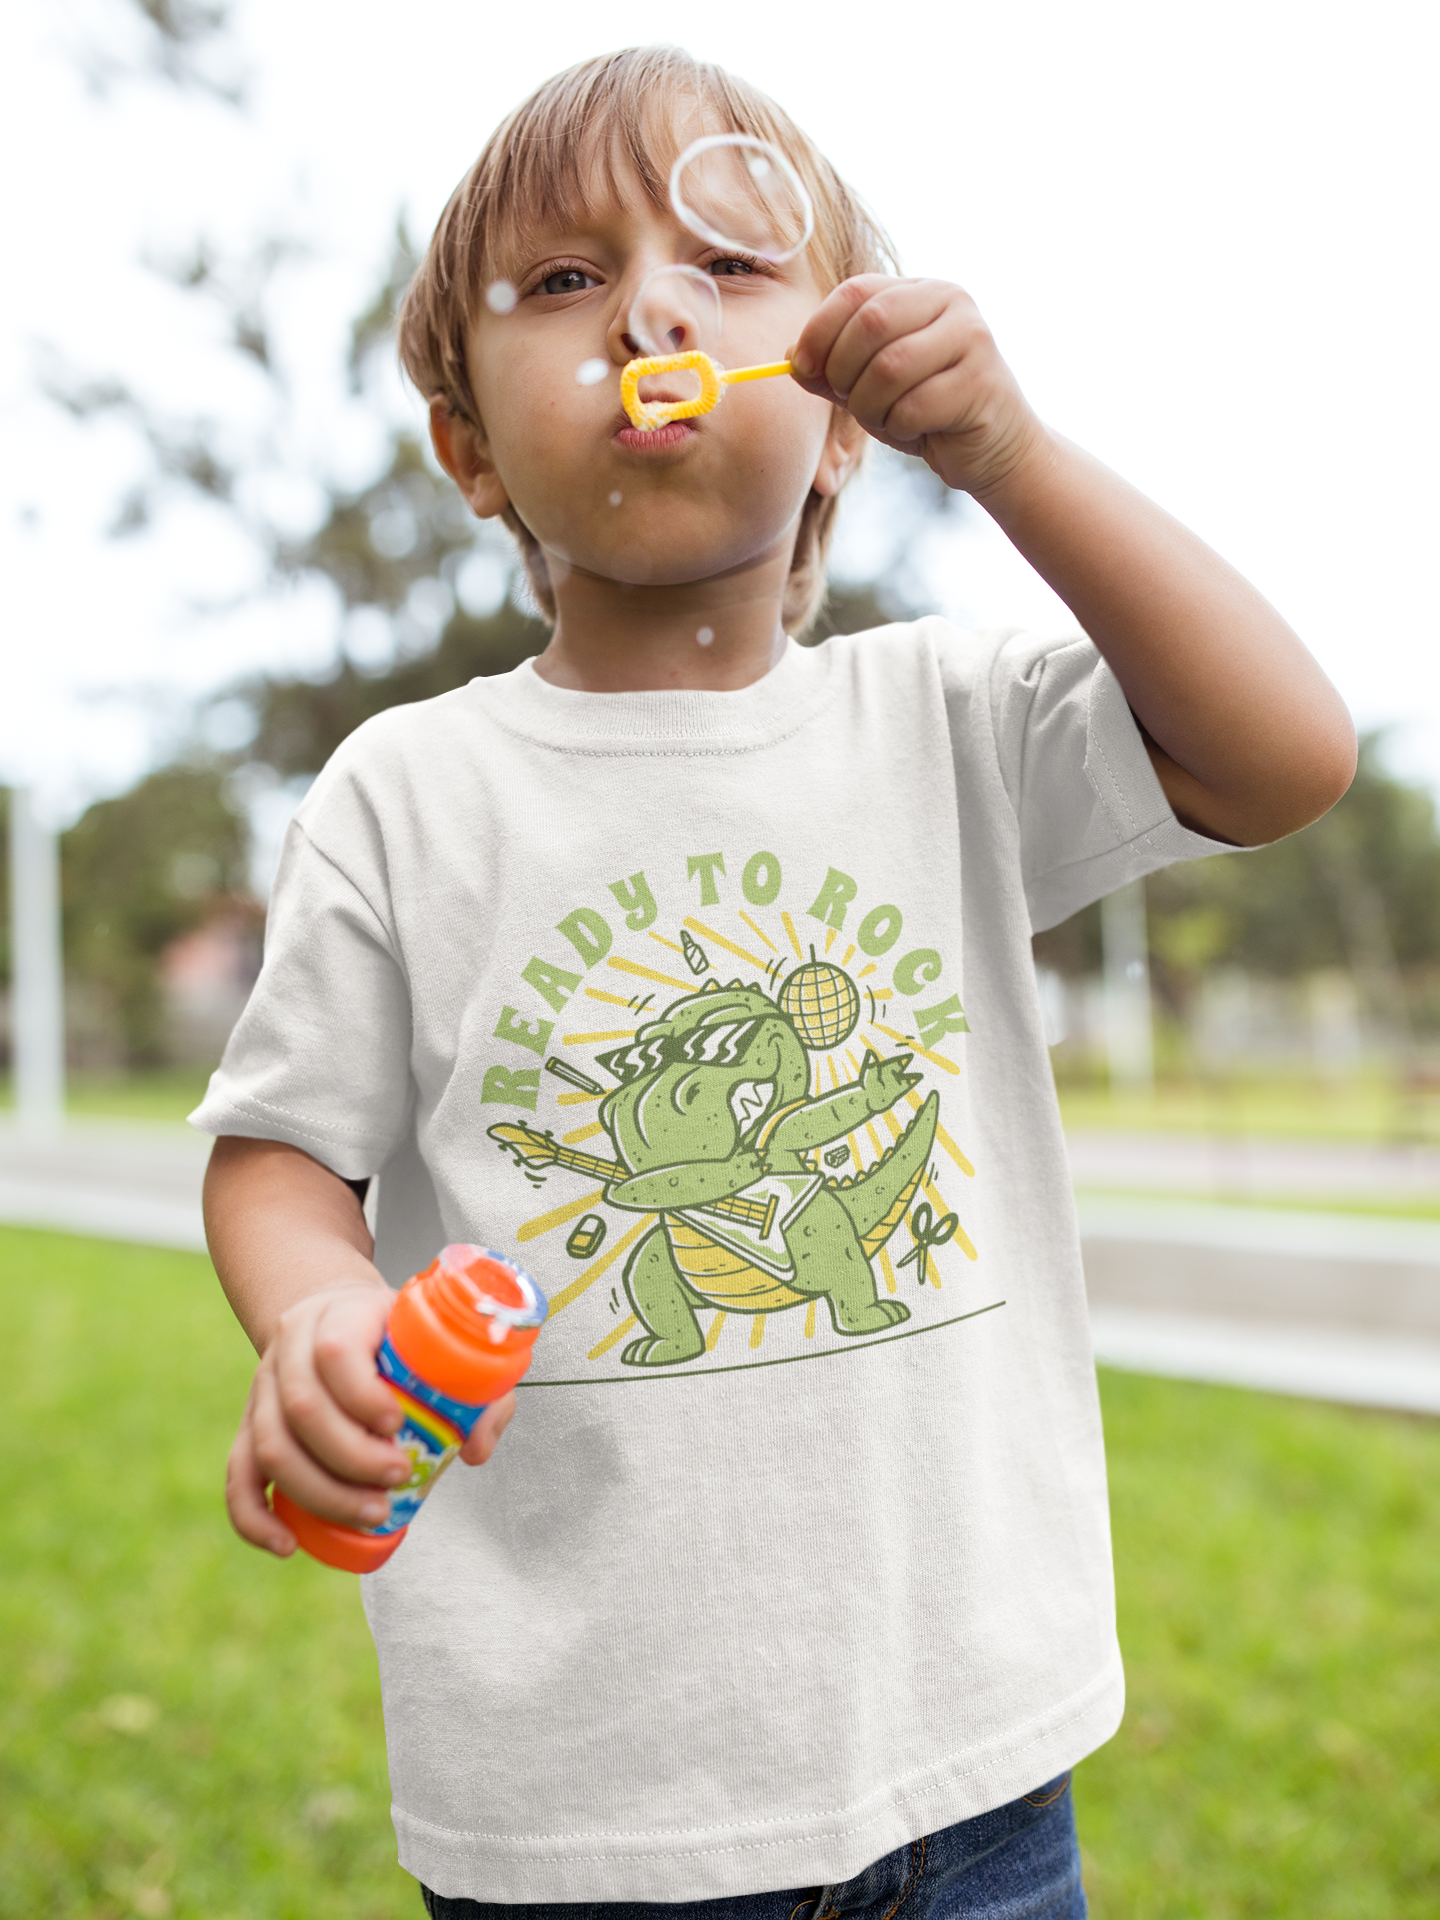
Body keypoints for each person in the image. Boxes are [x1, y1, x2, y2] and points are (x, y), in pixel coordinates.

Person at [194, 46, 1356, 1920]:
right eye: (565, 283)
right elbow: (277, 1154)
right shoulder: (410, 794)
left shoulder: (951, 719)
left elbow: (1283, 757)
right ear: (470, 445)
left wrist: (1018, 459)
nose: (652, 304)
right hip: (579, 1811)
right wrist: (319, 1314)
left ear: (835, 415)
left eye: (729, 266)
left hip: (976, 1770)